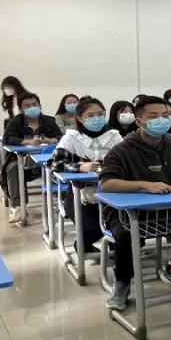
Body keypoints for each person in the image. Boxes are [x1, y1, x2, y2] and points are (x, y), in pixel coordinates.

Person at [99, 95, 171, 310]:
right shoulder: (122, 150)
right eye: (153, 116)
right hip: (128, 213)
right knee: (125, 234)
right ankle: (122, 283)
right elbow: (107, 183)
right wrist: (144, 185)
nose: (161, 120)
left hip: (169, 210)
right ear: (139, 121)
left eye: (165, 115)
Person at [51, 97, 122, 251]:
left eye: (100, 114)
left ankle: (116, 249)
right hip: (80, 194)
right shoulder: (71, 138)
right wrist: (80, 166)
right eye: (91, 115)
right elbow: (55, 163)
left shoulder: (114, 136)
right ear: (79, 118)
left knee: (126, 228)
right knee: (92, 229)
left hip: (113, 192)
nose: (97, 118)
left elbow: (127, 160)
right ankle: (83, 244)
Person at [1, 92, 61, 223]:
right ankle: (17, 207)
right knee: (13, 168)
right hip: (22, 163)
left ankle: (62, 203)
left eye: (34, 104)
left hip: (46, 162)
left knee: (63, 165)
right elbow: (7, 139)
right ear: (21, 108)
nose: (32, 107)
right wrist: (27, 142)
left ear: (40, 105)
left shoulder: (49, 121)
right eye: (27, 106)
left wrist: (52, 140)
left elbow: (60, 136)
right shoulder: (15, 122)